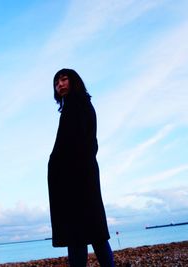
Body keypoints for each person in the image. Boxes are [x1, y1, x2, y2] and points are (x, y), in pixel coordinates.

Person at [48, 68, 115, 267]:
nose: (60, 84)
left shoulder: (77, 105)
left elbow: (81, 143)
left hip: (77, 178)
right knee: (95, 232)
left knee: (77, 233)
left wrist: (60, 166)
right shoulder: (78, 105)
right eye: (56, 82)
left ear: (74, 81)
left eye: (64, 79)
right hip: (82, 175)